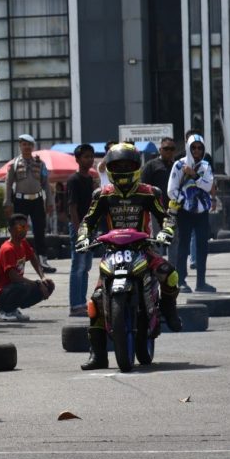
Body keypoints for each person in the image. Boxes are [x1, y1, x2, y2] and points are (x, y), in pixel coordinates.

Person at [75, 143, 181, 370]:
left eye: (127, 165)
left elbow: (166, 218)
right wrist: (83, 237)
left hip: (142, 249)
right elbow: (87, 221)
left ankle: (169, 310)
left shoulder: (149, 192)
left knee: (170, 274)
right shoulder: (102, 195)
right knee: (95, 300)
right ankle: (98, 355)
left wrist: (166, 232)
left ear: (136, 167)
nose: (122, 169)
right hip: (112, 252)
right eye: (118, 165)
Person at [167, 133, 216, 293]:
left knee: (202, 246)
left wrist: (195, 175)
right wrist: (182, 201)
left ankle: (201, 282)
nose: (196, 150)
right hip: (184, 211)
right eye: (193, 147)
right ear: (188, 148)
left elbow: (209, 187)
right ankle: (181, 281)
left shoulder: (206, 166)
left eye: (199, 148)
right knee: (183, 246)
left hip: (202, 212)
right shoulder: (179, 165)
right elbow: (171, 190)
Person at [3, 134, 55, 273]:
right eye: (24, 144)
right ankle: (17, 260)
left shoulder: (40, 163)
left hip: (37, 200)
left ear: (33, 147)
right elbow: (8, 184)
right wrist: (7, 201)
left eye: (29, 145)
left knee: (40, 230)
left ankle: (43, 261)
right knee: (19, 231)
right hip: (20, 200)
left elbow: (46, 183)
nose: (27, 147)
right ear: (20, 146)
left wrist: (50, 201)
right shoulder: (14, 163)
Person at [0, 214, 55, 321]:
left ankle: (12, 308)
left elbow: (33, 258)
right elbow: (14, 277)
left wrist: (42, 278)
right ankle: (2, 311)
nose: (24, 230)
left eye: (26, 227)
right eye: (20, 227)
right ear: (10, 230)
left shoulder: (23, 243)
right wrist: (37, 283)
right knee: (23, 285)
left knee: (49, 285)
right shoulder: (7, 249)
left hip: (14, 287)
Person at [66, 143, 100, 316]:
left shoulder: (91, 180)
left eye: (91, 156)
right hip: (79, 227)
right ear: (78, 159)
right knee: (78, 266)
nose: (90, 159)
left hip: (90, 227)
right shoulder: (73, 180)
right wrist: (79, 229)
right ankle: (75, 304)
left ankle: (82, 302)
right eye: (86, 156)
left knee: (86, 267)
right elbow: (72, 207)